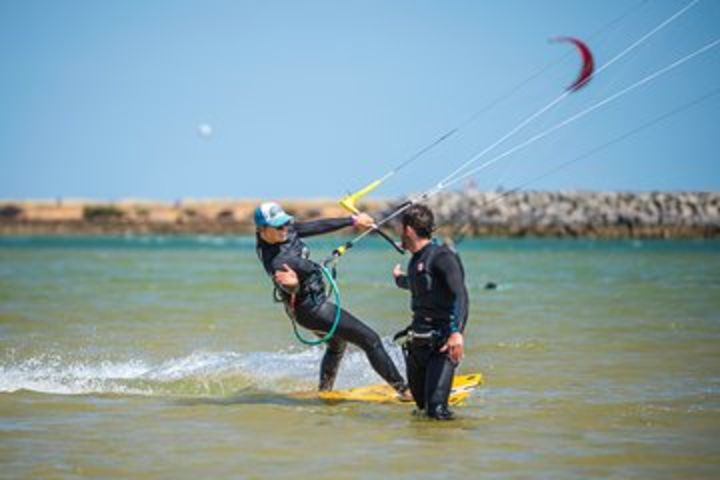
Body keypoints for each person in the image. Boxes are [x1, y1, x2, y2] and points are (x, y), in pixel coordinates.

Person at [254, 201, 410, 398]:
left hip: (311, 305)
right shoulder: (276, 261)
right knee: (370, 340)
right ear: (262, 230)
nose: (285, 229)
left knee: (337, 345)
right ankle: (404, 391)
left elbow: (313, 226)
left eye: (285, 223)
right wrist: (292, 285)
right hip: (312, 310)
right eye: (278, 226)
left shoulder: (282, 233)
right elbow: (289, 285)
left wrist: (352, 220)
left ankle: (325, 392)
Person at [392, 203, 469, 420]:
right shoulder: (415, 261)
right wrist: (399, 280)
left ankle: (459, 444)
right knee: (421, 411)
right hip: (417, 345)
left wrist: (457, 333)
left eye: (400, 229)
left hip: (441, 345)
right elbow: (421, 285)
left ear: (408, 229)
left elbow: (460, 294)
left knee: (436, 412)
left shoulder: (443, 256)